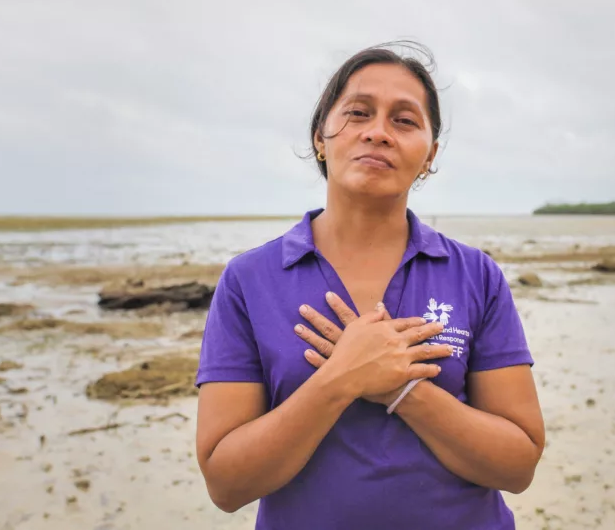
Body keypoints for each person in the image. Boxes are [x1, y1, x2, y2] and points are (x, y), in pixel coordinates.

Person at [194, 43, 545, 529]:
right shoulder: (249, 280)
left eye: (404, 121)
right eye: (358, 113)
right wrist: (341, 379)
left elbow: (519, 464)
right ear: (321, 137)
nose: (378, 132)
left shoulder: (475, 274)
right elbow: (226, 485)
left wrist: (403, 389)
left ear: (430, 156)